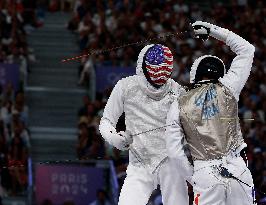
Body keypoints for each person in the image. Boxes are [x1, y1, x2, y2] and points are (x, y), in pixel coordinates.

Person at [165, 21, 256, 205]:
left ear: (194, 74)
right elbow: (247, 49)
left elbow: (174, 152)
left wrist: (194, 176)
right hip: (237, 169)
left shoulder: (178, 103)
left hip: (205, 173)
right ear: (220, 74)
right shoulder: (229, 87)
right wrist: (212, 30)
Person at [99, 44, 190, 205]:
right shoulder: (126, 87)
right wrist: (115, 138)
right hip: (139, 164)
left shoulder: (178, 93)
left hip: (171, 163)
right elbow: (106, 122)